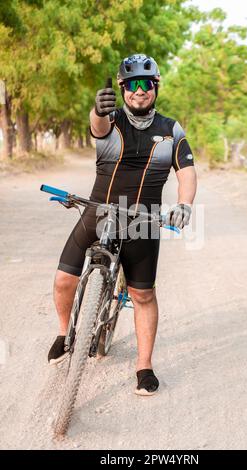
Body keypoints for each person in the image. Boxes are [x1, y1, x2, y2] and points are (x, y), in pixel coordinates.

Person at [48, 54, 197, 395]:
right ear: (122, 89)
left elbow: (187, 171)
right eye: (132, 84)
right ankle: (63, 332)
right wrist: (98, 111)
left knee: (143, 295)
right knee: (62, 280)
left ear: (155, 88)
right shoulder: (112, 120)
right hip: (99, 210)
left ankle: (144, 366)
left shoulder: (170, 130)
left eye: (146, 84)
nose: (139, 91)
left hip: (142, 221)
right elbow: (97, 127)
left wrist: (185, 205)